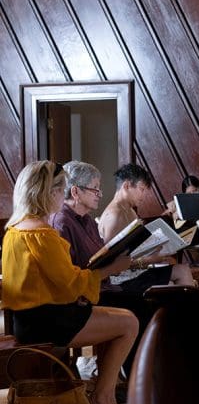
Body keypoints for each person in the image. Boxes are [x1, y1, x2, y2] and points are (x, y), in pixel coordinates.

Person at [2, 161, 137, 404]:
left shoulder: (14, 229)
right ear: (47, 192)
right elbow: (72, 284)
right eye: (60, 189)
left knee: (122, 317)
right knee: (129, 323)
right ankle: (102, 398)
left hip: (26, 318)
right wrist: (112, 268)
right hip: (48, 321)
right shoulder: (41, 234)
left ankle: (102, 394)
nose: (62, 196)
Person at [51, 161, 159, 380]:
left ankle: (136, 373)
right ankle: (130, 377)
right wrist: (112, 266)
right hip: (82, 296)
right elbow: (68, 271)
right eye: (95, 188)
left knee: (149, 302)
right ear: (75, 191)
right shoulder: (62, 221)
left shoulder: (88, 220)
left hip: (103, 286)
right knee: (140, 309)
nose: (100, 194)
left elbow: (100, 253)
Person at [98, 163, 195, 287]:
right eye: (141, 189)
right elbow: (112, 264)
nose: (144, 195)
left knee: (183, 269)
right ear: (127, 185)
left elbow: (135, 250)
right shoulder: (114, 216)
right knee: (177, 277)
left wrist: (158, 252)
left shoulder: (130, 211)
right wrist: (151, 260)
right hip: (121, 280)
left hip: (135, 272)